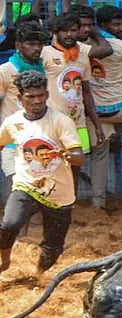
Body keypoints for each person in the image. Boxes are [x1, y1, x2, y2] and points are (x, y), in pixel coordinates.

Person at [0, 70, 86, 276]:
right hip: (27, 186)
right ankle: (4, 260)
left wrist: (64, 154)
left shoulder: (61, 121)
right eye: (30, 97)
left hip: (60, 194)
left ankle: (37, 276)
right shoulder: (12, 123)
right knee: (9, 224)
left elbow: (79, 157)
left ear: (47, 95)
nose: (36, 101)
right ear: (20, 98)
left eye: (40, 96)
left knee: (52, 249)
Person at [85, 5, 122, 211]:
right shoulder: (119, 46)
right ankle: (116, 133)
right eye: (117, 24)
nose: (121, 27)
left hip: (93, 113)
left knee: (99, 154)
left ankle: (97, 203)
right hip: (116, 110)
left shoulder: (84, 46)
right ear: (103, 25)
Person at [42, 13, 105, 197]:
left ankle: (70, 202)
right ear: (56, 32)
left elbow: (86, 92)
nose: (69, 35)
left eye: (73, 30)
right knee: (51, 165)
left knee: (77, 164)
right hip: (52, 123)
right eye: (64, 31)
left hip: (78, 123)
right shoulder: (45, 53)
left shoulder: (83, 54)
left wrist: (97, 124)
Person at [0, 21, 46, 197]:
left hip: (43, 140)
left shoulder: (46, 68)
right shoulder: (5, 70)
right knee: (17, 194)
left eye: (40, 44)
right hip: (14, 141)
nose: (37, 48)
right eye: (31, 44)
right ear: (18, 45)